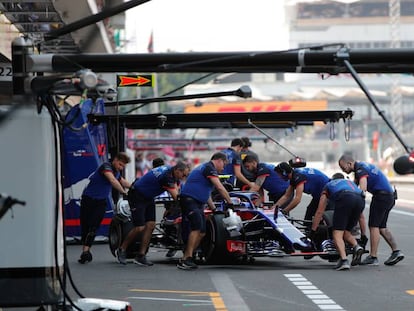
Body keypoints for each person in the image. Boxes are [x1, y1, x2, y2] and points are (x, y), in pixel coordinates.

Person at [115, 161, 190, 266]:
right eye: (184, 175)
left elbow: (177, 190)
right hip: (137, 195)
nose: (184, 177)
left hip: (148, 196)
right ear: (178, 170)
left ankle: (141, 255)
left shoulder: (171, 170)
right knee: (140, 227)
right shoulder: (167, 176)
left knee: (151, 225)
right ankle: (121, 249)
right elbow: (176, 197)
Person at [338, 154, 404, 266]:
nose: (343, 170)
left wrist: (355, 202)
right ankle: (396, 251)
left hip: (381, 197)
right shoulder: (362, 166)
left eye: (343, 167)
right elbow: (354, 186)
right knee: (381, 227)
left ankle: (373, 257)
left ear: (349, 163)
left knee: (374, 226)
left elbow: (362, 188)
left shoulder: (360, 169)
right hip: (389, 196)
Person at [177, 152, 234, 270]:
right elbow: (219, 187)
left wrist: (213, 209)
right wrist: (230, 203)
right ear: (218, 160)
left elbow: (206, 193)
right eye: (224, 164)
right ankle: (187, 258)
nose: (223, 167)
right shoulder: (209, 168)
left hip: (197, 202)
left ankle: (187, 257)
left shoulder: (207, 169)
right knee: (197, 228)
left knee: (202, 232)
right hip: (189, 200)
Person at [78, 152, 131, 264]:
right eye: (120, 164)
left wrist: (136, 187)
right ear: (115, 160)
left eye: (123, 166)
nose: (121, 168)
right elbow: (112, 181)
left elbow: (123, 181)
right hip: (88, 199)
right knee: (85, 227)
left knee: (93, 227)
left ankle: (85, 252)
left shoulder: (116, 172)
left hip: (100, 202)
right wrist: (123, 192)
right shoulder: (106, 167)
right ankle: (86, 250)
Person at [310, 172, 365, 271]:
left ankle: (344, 260)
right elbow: (361, 217)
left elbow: (319, 211)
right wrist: (364, 235)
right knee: (346, 231)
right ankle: (356, 246)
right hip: (361, 199)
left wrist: (313, 231)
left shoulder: (328, 185)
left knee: (337, 233)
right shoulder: (350, 183)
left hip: (345, 198)